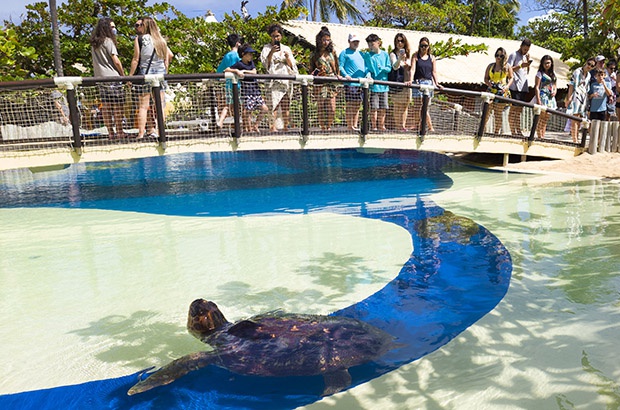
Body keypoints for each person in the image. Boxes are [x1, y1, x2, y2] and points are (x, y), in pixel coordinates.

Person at [129, 16, 174, 140]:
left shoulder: (140, 39)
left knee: (143, 106)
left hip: (146, 73)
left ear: (146, 26)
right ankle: (161, 131)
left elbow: (136, 59)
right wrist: (165, 68)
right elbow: (170, 55)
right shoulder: (161, 40)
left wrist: (130, 77)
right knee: (160, 105)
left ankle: (141, 133)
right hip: (160, 74)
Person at [90, 17, 126, 139]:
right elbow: (116, 60)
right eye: (112, 27)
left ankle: (110, 132)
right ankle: (120, 131)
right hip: (112, 77)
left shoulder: (95, 43)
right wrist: (123, 74)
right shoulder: (108, 41)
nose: (114, 29)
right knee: (117, 106)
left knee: (106, 106)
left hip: (100, 78)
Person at [260, 24, 297, 131]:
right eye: (273, 36)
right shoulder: (266, 48)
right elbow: (265, 64)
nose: (275, 38)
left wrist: (287, 58)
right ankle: (273, 127)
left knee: (286, 104)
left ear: (281, 36)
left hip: (285, 79)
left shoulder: (286, 48)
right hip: (273, 80)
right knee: (273, 104)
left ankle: (285, 126)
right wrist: (271, 53)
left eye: (277, 36)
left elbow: (292, 66)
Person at [225, 44, 269, 133]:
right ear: (243, 54)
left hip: (255, 90)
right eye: (249, 54)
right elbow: (227, 69)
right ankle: (248, 129)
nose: (251, 56)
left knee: (264, 108)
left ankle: (255, 125)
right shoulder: (239, 63)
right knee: (248, 110)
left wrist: (244, 71)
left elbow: (254, 71)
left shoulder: (251, 63)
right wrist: (236, 71)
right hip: (247, 90)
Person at [310, 26, 340, 131]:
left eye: (328, 40)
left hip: (332, 81)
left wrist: (338, 78)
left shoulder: (333, 52)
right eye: (324, 40)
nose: (326, 42)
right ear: (319, 40)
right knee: (321, 106)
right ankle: (323, 127)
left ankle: (329, 126)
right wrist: (317, 74)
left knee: (332, 108)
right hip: (320, 81)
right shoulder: (314, 54)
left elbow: (337, 67)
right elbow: (311, 71)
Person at [411, 37, 440, 132]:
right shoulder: (415, 56)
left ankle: (430, 127)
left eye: (425, 46)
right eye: (422, 46)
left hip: (428, 83)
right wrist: (411, 81)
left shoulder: (432, 58)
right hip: (417, 82)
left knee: (425, 107)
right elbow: (413, 69)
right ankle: (417, 125)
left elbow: (434, 72)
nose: (423, 48)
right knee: (417, 106)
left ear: (428, 46)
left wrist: (437, 83)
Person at [362, 33, 390, 131]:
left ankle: (381, 126)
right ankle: (374, 126)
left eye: (372, 44)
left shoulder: (385, 54)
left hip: (384, 86)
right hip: (374, 87)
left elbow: (389, 68)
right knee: (374, 107)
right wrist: (368, 76)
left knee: (383, 107)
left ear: (378, 43)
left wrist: (382, 68)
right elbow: (367, 69)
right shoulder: (368, 55)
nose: (370, 46)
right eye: (369, 44)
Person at [339, 33, 366, 131]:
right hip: (350, 83)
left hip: (360, 83)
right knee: (350, 104)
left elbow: (365, 67)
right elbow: (340, 66)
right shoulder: (344, 53)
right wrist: (345, 75)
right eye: (354, 41)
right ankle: (349, 125)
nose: (356, 43)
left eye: (357, 41)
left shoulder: (360, 54)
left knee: (358, 104)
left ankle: (355, 125)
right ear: (349, 41)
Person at [483, 47, 513, 135]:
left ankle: (496, 133)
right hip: (491, 91)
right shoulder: (490, 66)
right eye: (497, 55)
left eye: (501, 55)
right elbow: (485, 78)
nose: (498, 57)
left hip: (502, 92)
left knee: (498, 113)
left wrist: (506, 87)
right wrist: (490, 84)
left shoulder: (507, 67)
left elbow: (511, 78)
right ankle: (483, 131)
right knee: (486, 111)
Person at [565, 57, 595, 142]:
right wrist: (569, 97)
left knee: (580, 118)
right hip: (576, 95)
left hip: (583, 97)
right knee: (575, 116)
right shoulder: (577, 71)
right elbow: (571, 85)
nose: (589, 66)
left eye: (592, 66)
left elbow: (586, 88)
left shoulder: (589, 75)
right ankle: (574, 138)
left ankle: (577, 136)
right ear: (586, 62)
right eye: (589, 64)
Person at [507, 39, 533, 137]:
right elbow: (508, 69)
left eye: (527, 50)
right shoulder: (513, 55)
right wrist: (520, 65)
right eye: (524, 49)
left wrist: (527, 63)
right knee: (513, 109)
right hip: (515, 86)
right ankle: (512, 130)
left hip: (523, 86)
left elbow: (527, 71)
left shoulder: (525, 56)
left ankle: (518, 129)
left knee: (519, 110)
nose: (525, 51)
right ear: (521, 46)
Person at [216, 33, 242, 128]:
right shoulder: (237, 56)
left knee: (228, 105)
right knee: (237, 106)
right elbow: (241, 67)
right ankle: (236, 124)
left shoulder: (226, 56)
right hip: (237, 85)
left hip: (228, 85)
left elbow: (219, 70)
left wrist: (218, 78)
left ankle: (221, 121)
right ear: (237, 43)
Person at [389, 33, 412, 131]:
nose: (399, 43)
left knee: (405, 105)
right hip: (397, 83)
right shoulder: (393, 54)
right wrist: (400, 59)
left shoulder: (408, 54)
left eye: (402, 41)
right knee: (397, 105)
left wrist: (407, 64)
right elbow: (395, 66)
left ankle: (403, 125)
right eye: (397, 41)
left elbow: (411, 68)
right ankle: (398, 126)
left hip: (407, 83)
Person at [533, 55, 557, 139]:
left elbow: (554, 85)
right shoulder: (540, 74)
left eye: (548, 63)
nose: (547, 65)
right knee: (541, 118)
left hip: (550, 98)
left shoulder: (553, 74)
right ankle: (539, 136)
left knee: (546, 118)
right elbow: (536, 86)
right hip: (543, 96)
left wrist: (554, 91)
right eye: (545, 63)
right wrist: (538, 99)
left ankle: (543, 135)